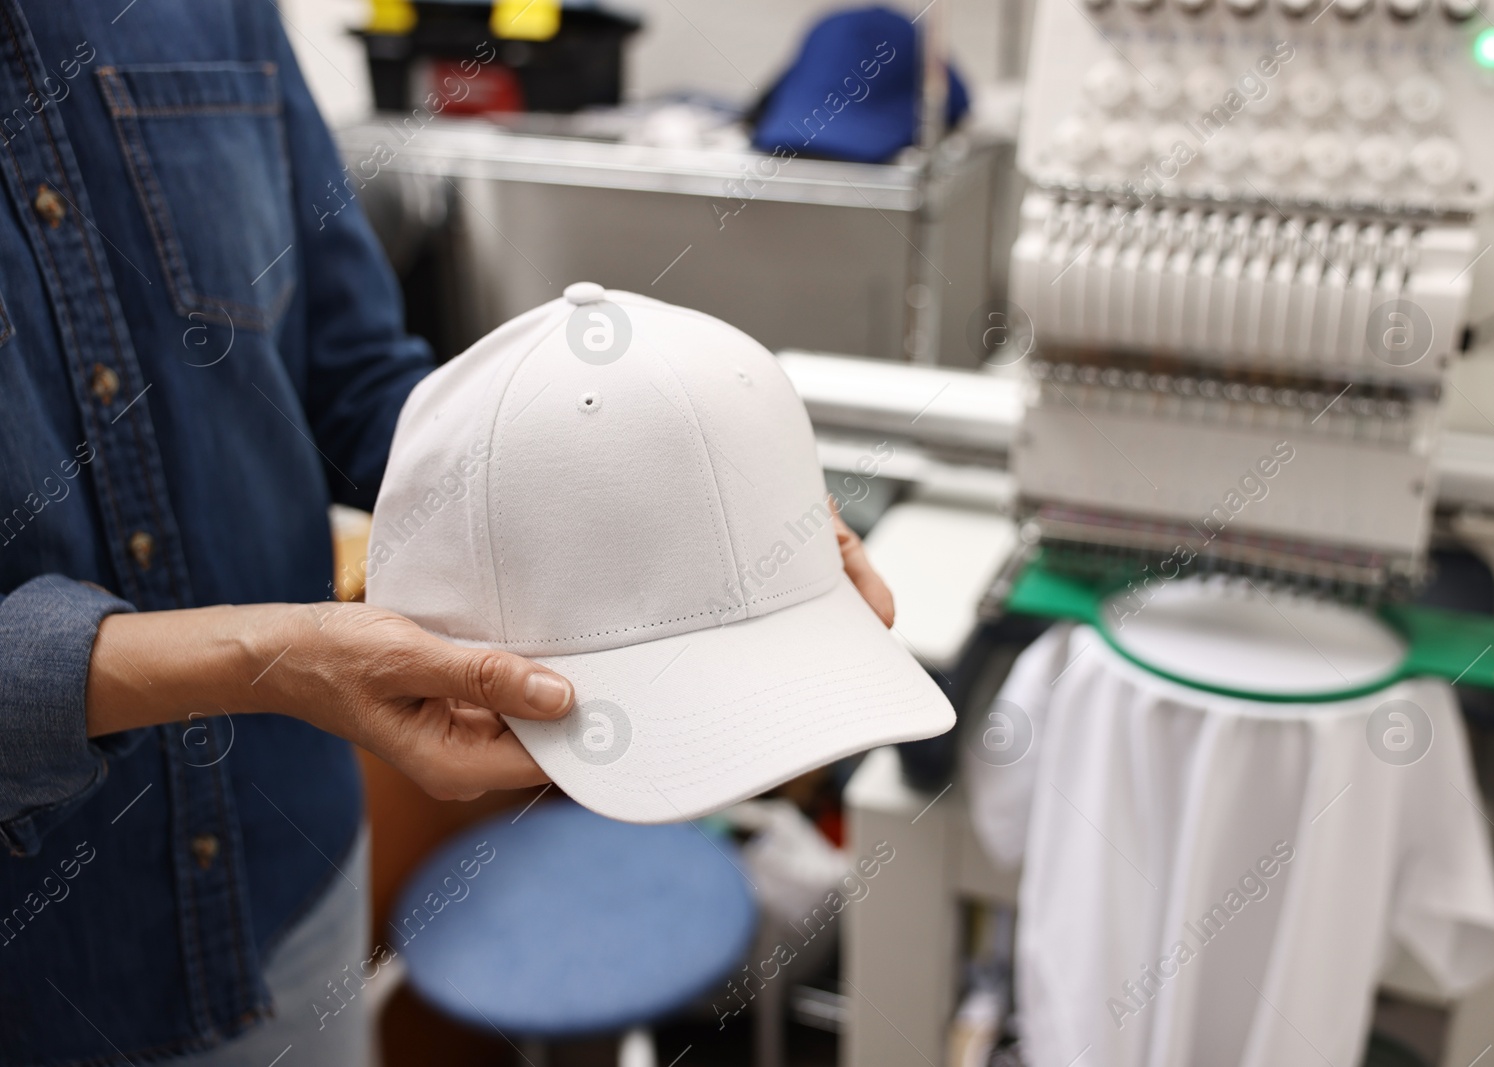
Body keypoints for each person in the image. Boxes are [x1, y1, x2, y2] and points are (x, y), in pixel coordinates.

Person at [0, 2, 896, 1064]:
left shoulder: (211, 13)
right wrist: (262, 660)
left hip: (289, 875)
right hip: (45, 970)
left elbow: (358, 377)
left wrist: (693, 506)